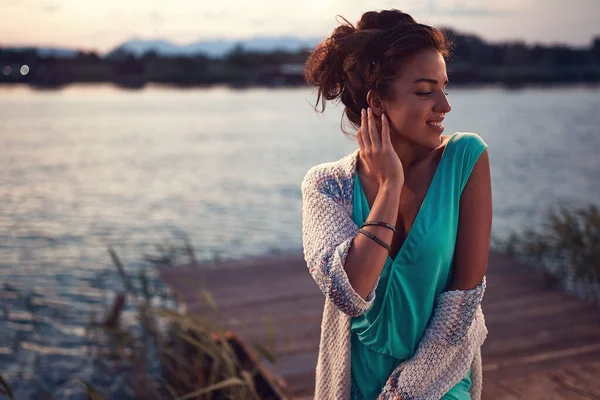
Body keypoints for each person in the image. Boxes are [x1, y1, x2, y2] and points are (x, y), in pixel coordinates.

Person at [301, 9, 492, 400]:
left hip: (440, 381)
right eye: (425, 91)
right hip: (354, 384)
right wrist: (390, 186)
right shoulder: (327, 186)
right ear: (377, 101)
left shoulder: (465, 159)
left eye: (444, 88)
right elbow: (349, 291)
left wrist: (405, 393)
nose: (444, 105)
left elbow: (463, 299)